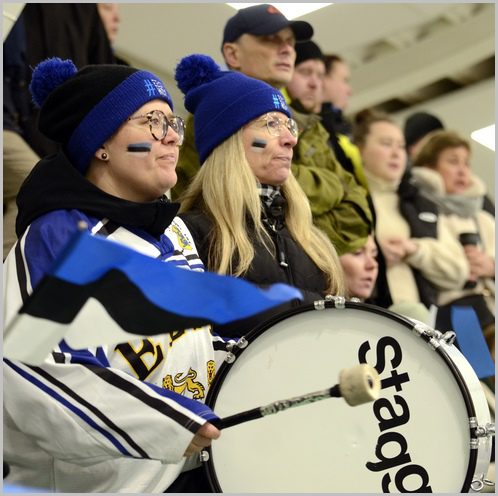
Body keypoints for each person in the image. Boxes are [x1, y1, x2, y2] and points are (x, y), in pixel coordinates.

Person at [3, 58, 230, 493]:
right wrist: (169, 422)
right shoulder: (60, 239)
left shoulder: (175, 231)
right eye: (152, 121)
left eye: (173, 123)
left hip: (187, 471)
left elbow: (189, 342)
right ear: (101, 143)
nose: (171, 136)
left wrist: (256, 364)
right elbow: (32, 368)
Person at [175, 54, 345, 303]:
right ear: (229, 141)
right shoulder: (189, 234)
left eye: (289, 126)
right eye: (271, 124)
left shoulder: (312, 242)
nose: (290, 139)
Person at [3, 4, 117, 259]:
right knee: (32, 183)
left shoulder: (82, 14)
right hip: (11, 127)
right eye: (108, 7)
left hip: (32, 132)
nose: (116, 17)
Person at [171, 3, 313, 200]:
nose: (287, 49)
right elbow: (208, 199)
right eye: (271, 39)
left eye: (290, 42)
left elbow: (350, 190)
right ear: (233, 54)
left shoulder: (309, 121)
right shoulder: (212, 116)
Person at [352, 109, 468, 310]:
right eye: (386, 144)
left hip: (424, 322)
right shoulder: (347, 203)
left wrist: (415, 250)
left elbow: (458, 272)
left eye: (401, 146)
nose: (396, 153)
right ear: (360, 149)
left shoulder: (420, 203)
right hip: (372, 318)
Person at [411, 130, 495, 360]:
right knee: (482, 376)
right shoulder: (422, 216)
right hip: (458, 314)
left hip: (489, 306)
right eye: (452, 161)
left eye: (466, 163)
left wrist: (491, 266)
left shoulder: (483, 219)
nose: (462, 170)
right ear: (429, 168)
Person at [284, 40, 373, 255]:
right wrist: (336, 187)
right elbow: (286, 196)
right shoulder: (273, 125)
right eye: (305, 72)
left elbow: (360, 209)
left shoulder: (317, 131)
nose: (315, 84)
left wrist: (316, 240)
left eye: (320, 75)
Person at [320, 53, 367, 190]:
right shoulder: (314, 130)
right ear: (324, 79)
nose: (349, 90)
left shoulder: (345, 127)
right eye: (344, 80)